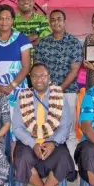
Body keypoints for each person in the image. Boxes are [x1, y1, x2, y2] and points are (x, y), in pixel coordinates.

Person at [11, 63, 76, 186]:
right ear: (30, 79)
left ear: (49, 78)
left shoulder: (59, 96)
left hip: (53, 140)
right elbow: (17, 128)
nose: (38, 79)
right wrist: (33, 143)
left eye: (42, 76)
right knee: (21, 160)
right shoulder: (23, 97)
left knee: (64, 159)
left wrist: (53, 143)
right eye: (35, 76)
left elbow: (65, 126)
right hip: (29, 140)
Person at [34, 9, 82, 156]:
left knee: (69, 131)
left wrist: (58, 90)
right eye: (53, 20)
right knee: (47, 130)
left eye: (59, 19)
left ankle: (73, 166)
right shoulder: (43, 43)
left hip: (67, 93)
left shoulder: (74, 43)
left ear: (64, 21)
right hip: (45, 94)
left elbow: (74, 70)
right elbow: (37, 68)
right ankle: (49, 162)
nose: (56, 22)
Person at [0, 4, 32, 117]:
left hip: (18, 87)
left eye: (8, 18)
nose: (4, 21)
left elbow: (26, 67)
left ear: (13, 20)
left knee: (19, 120)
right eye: (1, 18)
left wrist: (11, 86)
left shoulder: (21, 38)